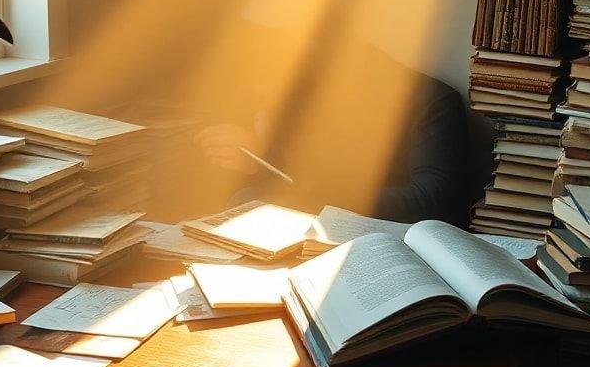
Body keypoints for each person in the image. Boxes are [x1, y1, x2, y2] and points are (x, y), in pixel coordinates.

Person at [194, 36, 471, 226]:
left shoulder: (430, 100)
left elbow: (432, 198)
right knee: (243, 202)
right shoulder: (303, 101)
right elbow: (297, 176)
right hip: (311, 230)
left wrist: (308, 189)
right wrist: (259, 161)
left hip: (383, 240)